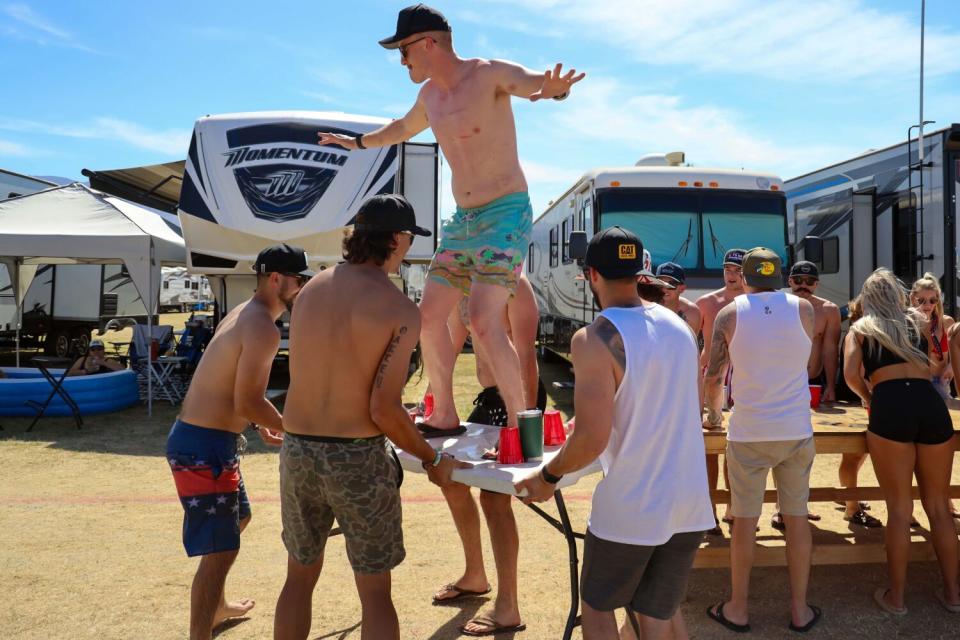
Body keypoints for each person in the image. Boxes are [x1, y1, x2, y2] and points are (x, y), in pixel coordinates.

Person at [318, 4, 584, 447]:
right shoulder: (430, 98)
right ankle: (443, 412)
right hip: (464, 221)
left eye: (403, 51)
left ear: (428, 43)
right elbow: (401, 128)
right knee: (427, 315)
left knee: (482, 319)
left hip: (506, 213)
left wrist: (556, 90)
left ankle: (525, 430)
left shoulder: (488, 74)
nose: (402, 60)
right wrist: (357, 143)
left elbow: (535, 83)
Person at [274, 195, 466, 640]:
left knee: (299, 579)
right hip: (356, 457)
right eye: (407, 240)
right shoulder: (397, 308)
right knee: (376, 594)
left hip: (298, 447)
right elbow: (382, 409)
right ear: (396, 239)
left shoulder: (311, 290)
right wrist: (434, 462)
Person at [516, 226, 714, 640]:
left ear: (591, 275)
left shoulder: (593, 339)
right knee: (657, 613)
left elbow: (592, 438)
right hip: (688, 500)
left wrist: (548, 477)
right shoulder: (679, 325)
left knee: (598, 609)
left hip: (634, 504)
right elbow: (679, 407)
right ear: (642, 272)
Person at [166, 243, 311, 640]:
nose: (302, 288)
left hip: (207, 442)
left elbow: (229, 388)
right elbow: (246, 399)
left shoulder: (244, 313)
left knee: (238, 520)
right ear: (277, 279)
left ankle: (218, 608)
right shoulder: (263, 326)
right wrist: (294, 431)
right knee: (220, 551)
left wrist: (254, 423)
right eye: (299, 280)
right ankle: (201, 632)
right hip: (204, 447)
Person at [703, 247, 821, 633]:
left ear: (746, 276)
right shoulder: (806, 311)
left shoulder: (730, 313)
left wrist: (715, 414)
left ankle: (738, 607)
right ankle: (799, 609)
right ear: (780, 276)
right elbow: (809, 364)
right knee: (797, 519)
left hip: (750, 430)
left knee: (745, 523)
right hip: (795, 429)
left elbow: (714, 376)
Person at [427, 273, 544, 637]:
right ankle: (475, 575)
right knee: (451, 477)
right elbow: (446, 346)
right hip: (487, 403)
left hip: (516, 404)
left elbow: (526, 357)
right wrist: (432, 397)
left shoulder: (515, 285)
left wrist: (522, 426)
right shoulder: (462, 284)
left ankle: (508, 605)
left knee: (495, 500)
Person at [844, 268, 960, 616]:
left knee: (899, 508)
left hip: (891, 404)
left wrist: (869, 397)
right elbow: (934, 365)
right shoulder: (918, 323)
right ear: (898, 296)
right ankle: (954, 594)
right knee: (938, 506)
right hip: (929, 402)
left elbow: (851, 374)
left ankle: (897, 597)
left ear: (866, 299)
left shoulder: (861, 328)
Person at [697, 249, 744, 528]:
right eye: (728, 268)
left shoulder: (753, 303)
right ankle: (709, 510)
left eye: (738, 270)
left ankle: (732, 507)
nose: (731, 274)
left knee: (735, 447)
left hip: (741, 379)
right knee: (709, 449)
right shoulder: (706, 303)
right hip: (712, 377)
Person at [836, 297, 882, 528]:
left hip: (862, 398)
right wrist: (870, 398)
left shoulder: (864, 332)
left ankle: (849, 499)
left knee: (858, 454)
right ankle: (851, 506)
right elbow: (859, 374)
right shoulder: (860, 332)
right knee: (854, 455)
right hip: (858, 400)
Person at [910, 272, 954, 399]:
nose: (927, 304)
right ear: (913, 298)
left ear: (938, 300)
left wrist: (951, 367)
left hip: (941, 383)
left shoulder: (947, 322)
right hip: (917, 383)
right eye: (921, 300)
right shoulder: (908, 323)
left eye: (932, 300)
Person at [656, 262, 702, 335]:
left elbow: (690, 345)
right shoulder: (646, 308)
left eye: (671, 284)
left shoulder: (691, 312)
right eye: (660, 283)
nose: (664, 289)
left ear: (682, 288)